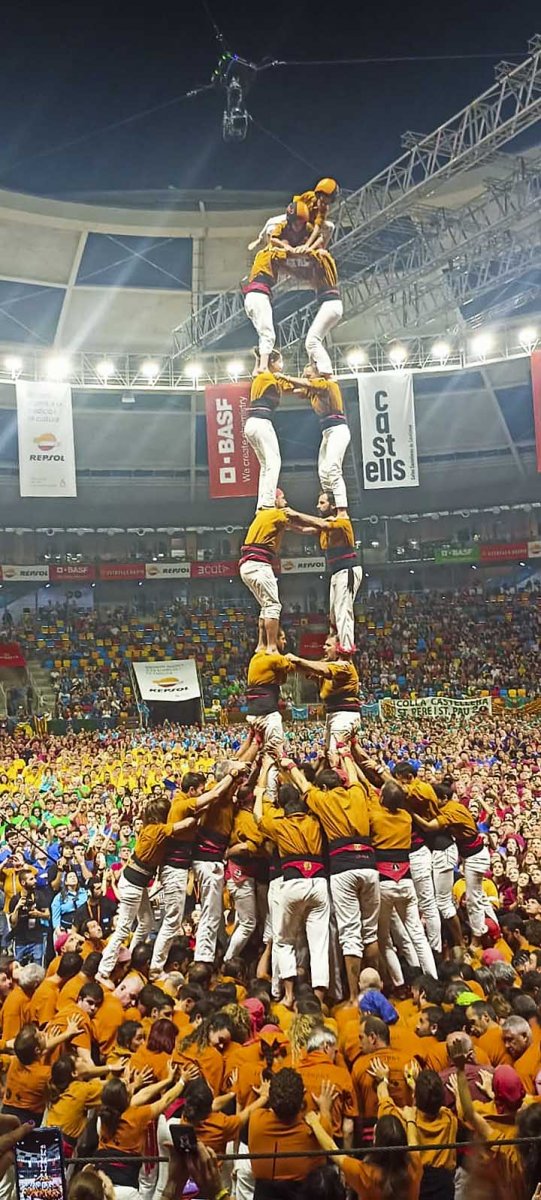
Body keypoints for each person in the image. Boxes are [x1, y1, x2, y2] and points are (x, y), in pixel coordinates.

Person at [281, 753, 380, 1003]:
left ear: (324, 787)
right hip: (369, 866)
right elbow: (355, 776)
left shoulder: (323, 800)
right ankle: (377, 991)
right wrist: (347, 754)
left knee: (349, 934)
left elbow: (303, 785)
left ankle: (355, 996)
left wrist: (289, 764)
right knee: (370, 932)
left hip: (343, 868)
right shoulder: (356, 793)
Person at [97, 797, 197, 983]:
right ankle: (103, 970)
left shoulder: (149, 828)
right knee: (124, 928)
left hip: (136, 882)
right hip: (133, 883)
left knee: (146, 921)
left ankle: (130, 957)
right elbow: (186, 823)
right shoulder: (156, 829)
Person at [255, 780, 330, 1007]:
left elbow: (258, 818)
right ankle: (318, 997)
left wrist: (259, 795)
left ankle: (288, 996)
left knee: (285, 941)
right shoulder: (316, 821)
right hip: (318, 881)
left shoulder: (280, 824)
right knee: (319, 943)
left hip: (292, 881)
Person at [368, 781, 437, 987]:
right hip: (405, 880)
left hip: (384, 881)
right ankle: (431, 980)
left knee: (384, 939)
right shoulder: (406, 817)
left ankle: (399, 983)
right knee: (418, 935)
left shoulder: (375, 815)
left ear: (382, 800)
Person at [286, 491, 362, 654]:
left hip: (347, 569)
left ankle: (347, 650)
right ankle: (335, 644)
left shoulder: (341, 521)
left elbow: (322, 524)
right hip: (336, 572)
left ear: (333, 505)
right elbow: (305, 529)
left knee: (343, 610)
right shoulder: (324, 524)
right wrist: (286, 524)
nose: (318, 506)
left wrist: (294, 513)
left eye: (322, 503)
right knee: (334, 615)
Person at [282, 365, 351, 508]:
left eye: (308, 375)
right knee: (323, 472)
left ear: (318, 375)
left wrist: (286, 377)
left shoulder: (327, 384)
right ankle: (329, 503)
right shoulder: (313, 390)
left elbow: (306, 384)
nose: (306, 378)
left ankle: (341, 508)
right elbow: (296, 390)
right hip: (327, 431)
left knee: (333, 468)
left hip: (338, 429)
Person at [286, 634, 360, 749]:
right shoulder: (329, 664)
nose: (324, 648)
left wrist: (298, 659)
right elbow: (309, 670)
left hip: (344, 714)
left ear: (338, 649)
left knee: (337, 755)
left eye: (328, 645)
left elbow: (323, 669)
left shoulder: (344, 665)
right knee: (332, 755)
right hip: (334, 713)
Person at [239, 493, 291, 653]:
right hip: (259, 564)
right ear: (274, 500)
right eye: (283, 498)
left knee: (265, 606)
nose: (286, 501)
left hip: (247, 565)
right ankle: (271, 646)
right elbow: (299, 525)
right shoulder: (276, 513)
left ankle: (261, 645)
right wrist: (321, 525)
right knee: (273, 606)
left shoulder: (263, 516)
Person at [244, 350, 294, 511]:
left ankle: (262, 503)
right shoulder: (267, 377)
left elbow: (289, 387)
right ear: (271, 362)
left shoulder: (265, 379)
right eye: (280, 361)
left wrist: (258, 358)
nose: (282, 365)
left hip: (251, 424)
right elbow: (259, 371)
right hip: (261, 422)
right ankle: (267, 503)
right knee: (274, 462)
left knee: (266, 465)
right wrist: (262, 356)